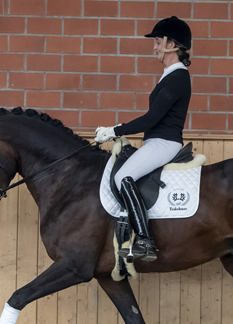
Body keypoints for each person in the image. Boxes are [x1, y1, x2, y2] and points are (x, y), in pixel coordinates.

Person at [95, 16, 192, 262]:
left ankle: (146, 240)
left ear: (172, 44)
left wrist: (114, 130)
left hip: (164, 142)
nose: (155, 47)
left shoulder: (178, 76)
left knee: (123, 177)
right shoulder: (169, 75)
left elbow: (151, 119)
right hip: (156, 142)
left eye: (159, 42)